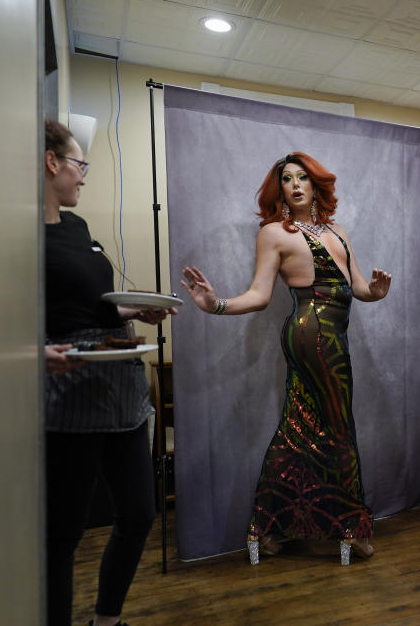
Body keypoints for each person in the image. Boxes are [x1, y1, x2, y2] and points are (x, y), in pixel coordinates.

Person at [180, 152, 391, 561]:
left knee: (301, 429)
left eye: (301, 178)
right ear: (281, 191)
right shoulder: (275, 233)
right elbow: (259, 296)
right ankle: (351, 530)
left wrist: (375, 294)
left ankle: (265, 529)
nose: (294, 185)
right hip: (311, 336)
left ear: (315, 185)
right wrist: (216, 304)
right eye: (287, 180)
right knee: (337, 429)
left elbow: (359, 287)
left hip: (331, 337)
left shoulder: (339, 231)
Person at [43, 119, 176, 626]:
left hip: (118, 384)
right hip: (69, 388)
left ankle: (107, 620)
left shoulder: (77, 228)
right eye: (80, 165)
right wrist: (34, 354)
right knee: (64, 532)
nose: (84, 176)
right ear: (52, 162)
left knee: (139, 514)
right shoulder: (17, 234)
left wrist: (134, 312)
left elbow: (94, 308)